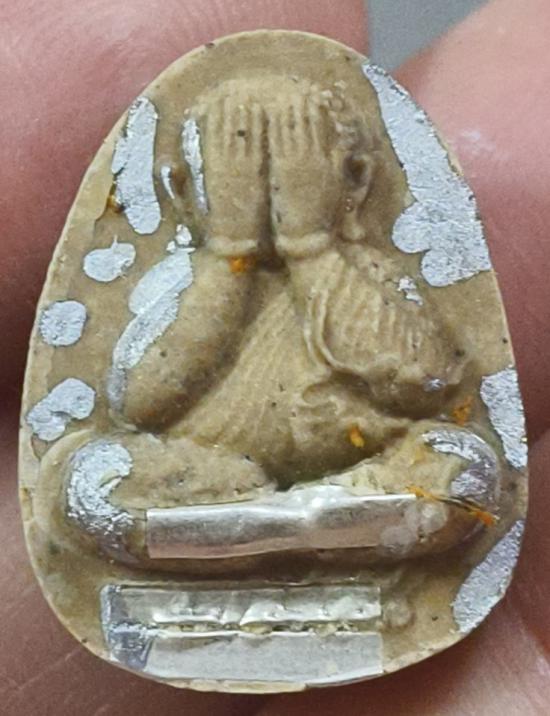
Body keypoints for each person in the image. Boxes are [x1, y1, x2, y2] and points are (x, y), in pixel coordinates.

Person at [1, 0, 549, 713]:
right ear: (183, 190)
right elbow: (141, 404)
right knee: (90, 481)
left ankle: (273, 531)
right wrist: (227, 258)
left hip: (351, 485)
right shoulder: (180, 281)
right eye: (240, 167)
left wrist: (312, 250)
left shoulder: (369, 273)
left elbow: (425, 382)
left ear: (355, 181)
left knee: (464, 468)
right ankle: (295, 529)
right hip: (220, 490)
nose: (264, 186)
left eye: (288, 165)